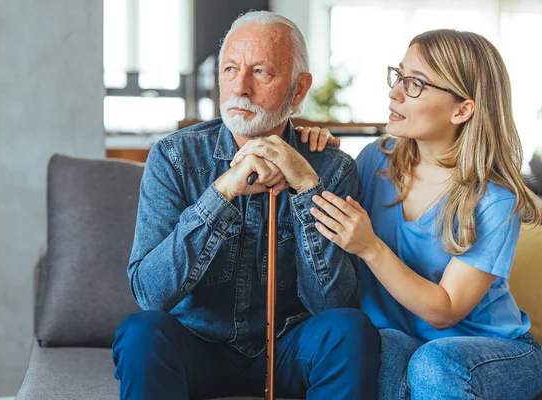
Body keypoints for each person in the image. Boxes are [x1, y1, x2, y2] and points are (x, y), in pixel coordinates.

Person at [243, 29, 542, 399]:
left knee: (434, 365)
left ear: (462, 109)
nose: (395, 92)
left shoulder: (495, 200)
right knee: (374, 348)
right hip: (402, 340)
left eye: (416, 84)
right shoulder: (376, 160)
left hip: (490, 352)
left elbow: (444, 311)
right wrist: (313, 150)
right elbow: (319, 209)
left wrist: (371, 247)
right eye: (399, 76)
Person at [112, 10, 380, 400]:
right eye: (230, 69)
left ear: (299, 89)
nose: (240, 88)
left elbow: (334, 304)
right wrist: (222, 193)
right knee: (140, 333)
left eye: (261, 73)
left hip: (289, 349)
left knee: (349, 330)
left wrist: (306, 188)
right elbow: (150, 294)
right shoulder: (173, 157)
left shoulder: (331, 167)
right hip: (197, 345)